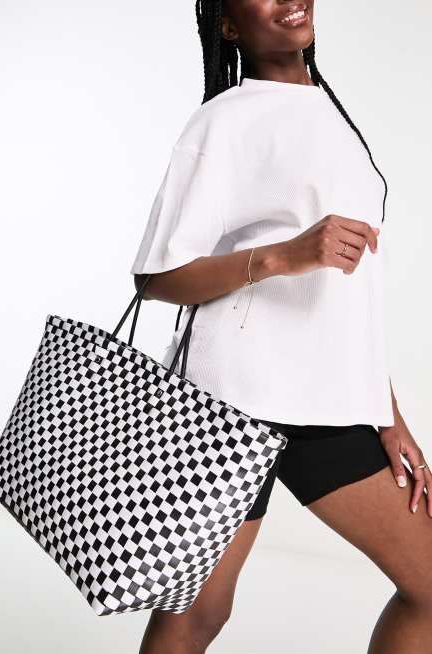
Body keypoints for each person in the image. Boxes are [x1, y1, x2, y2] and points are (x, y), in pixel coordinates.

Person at [129, 2, 432, 652]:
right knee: (196, 616)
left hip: (322, 401)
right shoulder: (225, 119)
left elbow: (346, 298)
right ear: (228, 25)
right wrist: (281, 257)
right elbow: (155, 278)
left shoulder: (329, 112)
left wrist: (385, 413)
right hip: (228, 404)